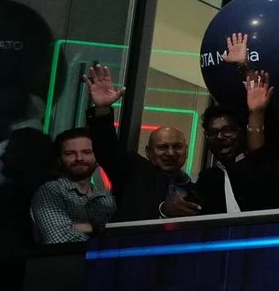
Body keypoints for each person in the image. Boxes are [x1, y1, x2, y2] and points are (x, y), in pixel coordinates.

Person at [80, 65, 198, 220]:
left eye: (177, 147)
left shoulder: (196, 189)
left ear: (187, 150)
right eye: (162, 147)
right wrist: (102, 110)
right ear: (149, 152)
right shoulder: (133, 172)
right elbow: (107, 148)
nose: (170, 153)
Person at [193, 63, 279, 212]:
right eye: (213, 133)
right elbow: (185, 210)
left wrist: (244, 68)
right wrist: (166, 209)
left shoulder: (266, 164)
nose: (220, 137)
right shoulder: (208, 179)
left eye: (227, 130)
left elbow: (269, 126)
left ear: (241, 131)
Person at [28, 128, 113, 245]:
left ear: (98, 157)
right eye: (70, 154)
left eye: (87, 152)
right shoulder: (50, 191)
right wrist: (101, 232)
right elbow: (59, 240)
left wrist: (90, 228)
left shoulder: (106, 199)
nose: (79, 158)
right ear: (59, 160)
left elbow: (120, 236)